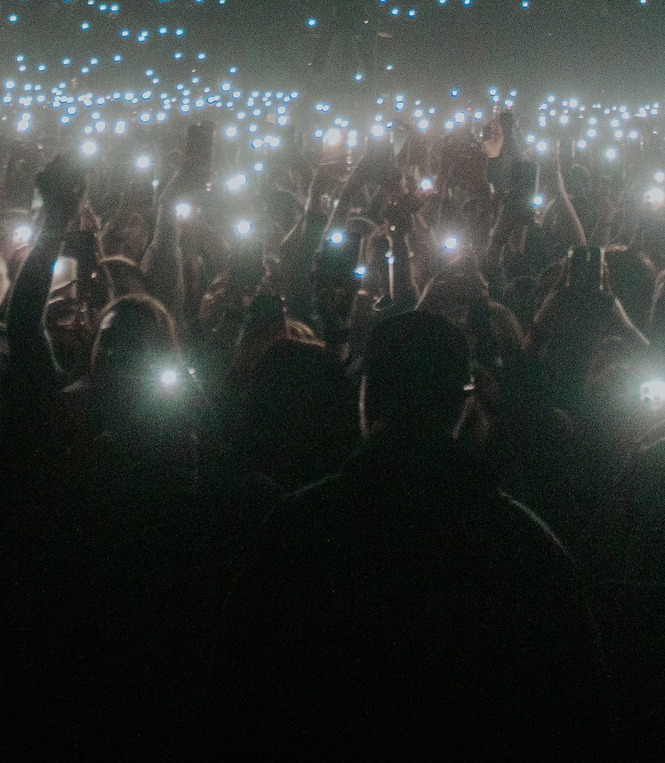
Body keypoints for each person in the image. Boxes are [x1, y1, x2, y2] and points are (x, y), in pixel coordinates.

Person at [220, 311, 606, 749]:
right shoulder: (525, 546)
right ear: (463, 403)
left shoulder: (298, 530)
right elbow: (579, 710)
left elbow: (237, 692)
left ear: (367, 394)